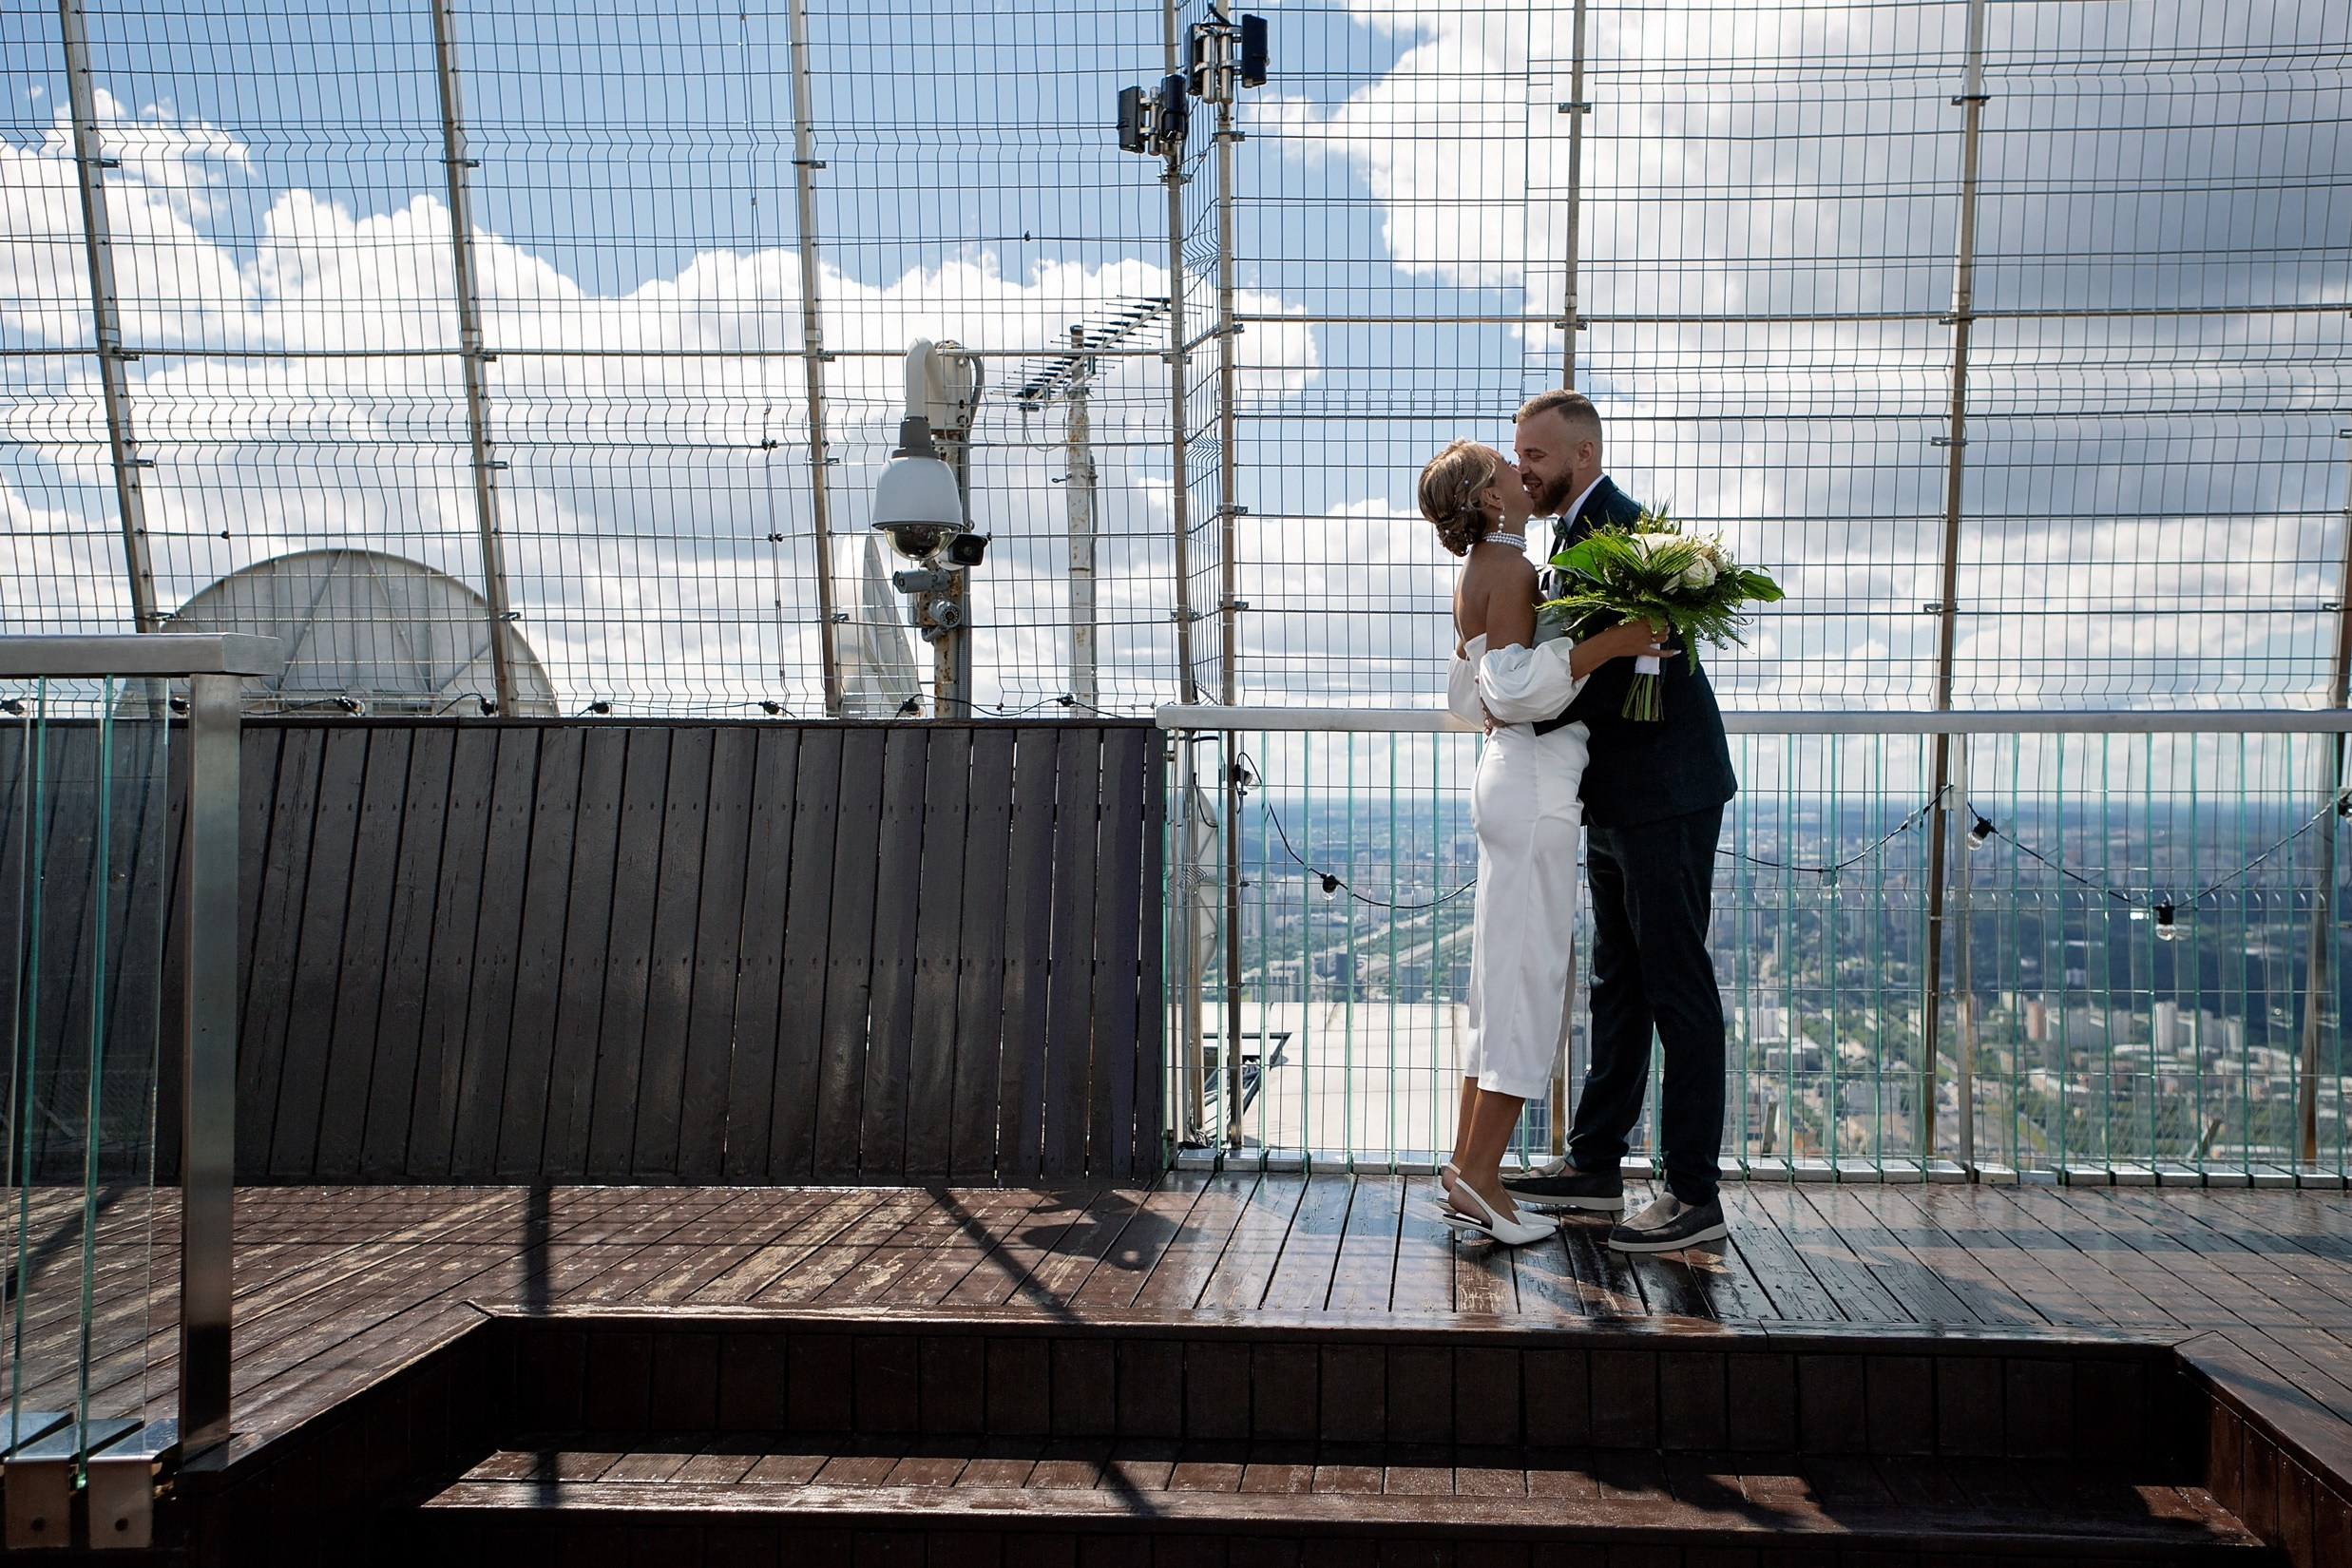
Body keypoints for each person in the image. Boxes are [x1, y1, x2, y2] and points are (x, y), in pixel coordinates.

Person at [1501, 390, 1737, 1253]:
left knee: (1675, 983)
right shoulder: (1575, 538)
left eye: (1534, 455)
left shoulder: (1629, 539)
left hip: (1664, 793)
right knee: (1619, 982)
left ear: (1583, 456)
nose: (1522, 469)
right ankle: (1596, 1165)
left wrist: (1520, 709)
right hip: (1615, 794)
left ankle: (1693, 1194)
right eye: (1518, 454)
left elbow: (1619, 672)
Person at [1419, 438, 1668, 1246]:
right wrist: (1616, 642)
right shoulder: (1515, 569)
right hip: (1532, 784)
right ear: (1490, 499)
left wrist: (1517, 682)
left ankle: (1466, 1167)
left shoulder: (1477, 572)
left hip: (1509, 779)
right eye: (1506, 468)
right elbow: (1514, 690)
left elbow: (1472, 694)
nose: (1522, 475)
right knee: (1526, 982)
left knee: (1500, 981)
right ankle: (1482, 1179)